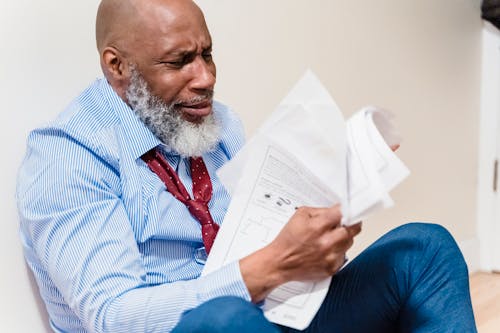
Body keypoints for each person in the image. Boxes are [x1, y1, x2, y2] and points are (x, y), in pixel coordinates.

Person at [16, 0, 477, 332]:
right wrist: (275, 264)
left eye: (207, 54)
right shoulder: (66, 155)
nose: (207, 78)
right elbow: (113, 318)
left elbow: (253, 237)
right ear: (117, 66)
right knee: (223, 320)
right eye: (179, 62)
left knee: (424, 248)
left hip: (264, 313)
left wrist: (319, 246)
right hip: (208, 324)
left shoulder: (219, 125)